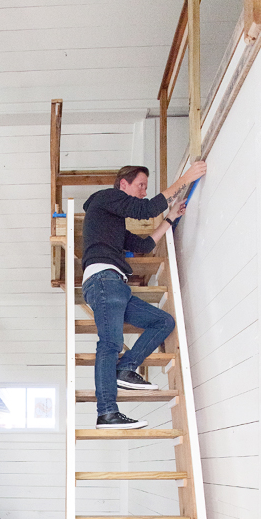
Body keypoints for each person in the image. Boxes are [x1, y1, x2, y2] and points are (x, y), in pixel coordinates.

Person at [82, 160, 207, 429]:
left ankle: (126, 368)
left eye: (145, 187)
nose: (142, 191)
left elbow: (143, 244)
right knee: (110, 344)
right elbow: (146, 209)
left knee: (162, 322)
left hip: (114, 286)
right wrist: (186, 178)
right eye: (140, 185)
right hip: (105, 281)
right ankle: (106, 412)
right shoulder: (106, 198)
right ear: (122, 184)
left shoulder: (110, 222)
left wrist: (171, 218)